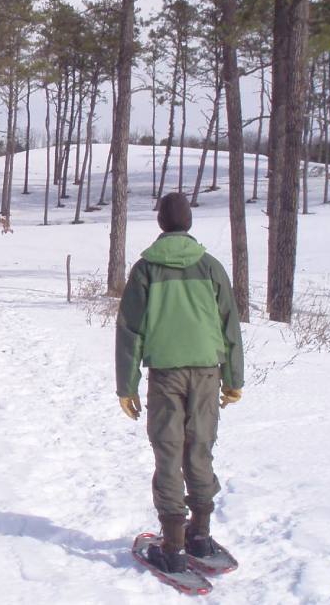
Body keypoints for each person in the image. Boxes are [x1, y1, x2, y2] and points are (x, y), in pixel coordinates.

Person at [115, 192, 244, 574]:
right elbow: (230, 327)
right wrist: (233, 379)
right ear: (188, 222)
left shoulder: (145, 270)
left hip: (166, 376)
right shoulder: (210, 267)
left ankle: (173, 546)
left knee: (169, 451)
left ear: (161, 223)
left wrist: (127, 385)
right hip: (208, 373)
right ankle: (199, 536)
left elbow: (130, 332)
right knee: (200, 448)